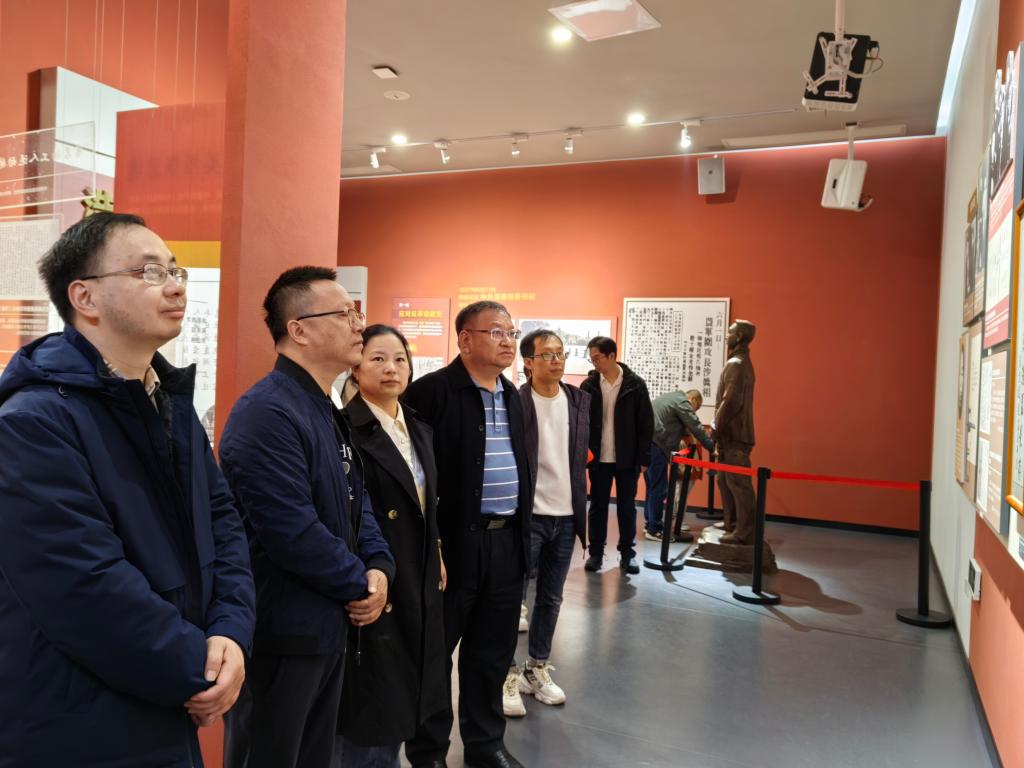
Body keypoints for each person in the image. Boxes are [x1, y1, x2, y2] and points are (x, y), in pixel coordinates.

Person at [0, 212, 255, 767]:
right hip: (78, 720)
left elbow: (223, 523)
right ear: (84, 297)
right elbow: (81, 584)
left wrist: (232, 633)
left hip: (167, 701)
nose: (175, 285)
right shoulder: (31, 421)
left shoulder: (168, 404)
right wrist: (198, 665)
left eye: (175, 270)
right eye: (149, 271)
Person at [220, 267, 395, 768]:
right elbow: (290, 531)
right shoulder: (267, 412)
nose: (358, 323)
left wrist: (380, 567)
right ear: (298, 329)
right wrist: (360, 582)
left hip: (327, 625)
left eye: (356, 312)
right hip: (283, 633)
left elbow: (357, 502)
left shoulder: (323, 406)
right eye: (344, 314)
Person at [403, 301, 532, 768]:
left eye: (511, 332)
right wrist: (430, 543)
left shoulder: (511, 395)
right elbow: (412, 474)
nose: (507, 341)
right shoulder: (432, 392)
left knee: (491, 653)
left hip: (506, 542)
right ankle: (428, 752)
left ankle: (485, 744)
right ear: (464, 339)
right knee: (435, 654)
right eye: (496, 332)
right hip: (452, 544)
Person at [335, 325, 447, 767]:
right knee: (374, 705)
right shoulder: (345, 430)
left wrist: (436, 548)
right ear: (356, 367)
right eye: (377, 358)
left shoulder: (418, 428)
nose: (391, 368)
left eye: (400, 359)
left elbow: (427, 502)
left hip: (418, 573)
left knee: (407, 693)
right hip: (377, 576)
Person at [502, 329, 590, 719]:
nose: (556, 360)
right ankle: (506, 673)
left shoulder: (578, 401)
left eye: (560, 353)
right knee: (512, 598)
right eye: (547, 354)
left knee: (551, 598)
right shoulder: (515, 402)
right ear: (528, 362)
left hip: (566, 517)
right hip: (528, 516)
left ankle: (535, 667)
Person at [580, 336, 654, 574]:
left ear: (612, 356)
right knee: (597, 506)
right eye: (592, 359)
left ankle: (627, 554)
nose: (595, 363)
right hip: (599, 458)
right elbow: (581, 423)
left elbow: (646, 424)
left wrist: (644, 458)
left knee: (626, 507)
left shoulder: (635, 385)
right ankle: (595, 554)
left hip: (626, 458)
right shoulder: (589, 386)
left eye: (598, 358)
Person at [644, 389, 715, 542]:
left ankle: (649, 523)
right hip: (656, 445)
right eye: (696, 408)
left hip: (646, 442)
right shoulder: (682, 402)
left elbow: (681, 426)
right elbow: (694, 424)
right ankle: (654, 529)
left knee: (652, 486)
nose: (694, 411)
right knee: (659, 488)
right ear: (693, 400)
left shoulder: (670, 397)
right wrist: (711, 447)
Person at [714, 320, 758, 545]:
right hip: (731, 434)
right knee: (724, 480)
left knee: (739, 484)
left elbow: (729, 401)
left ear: (739, 336)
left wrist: (716, 426)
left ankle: (745, 531)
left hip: (735, 434)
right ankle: (731, 522)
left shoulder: (736, 364)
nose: (726, 335)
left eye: (730, 332)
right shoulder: (741, 362)